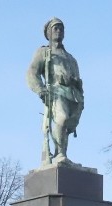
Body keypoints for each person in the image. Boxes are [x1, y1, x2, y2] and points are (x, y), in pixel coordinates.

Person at [26, 17, 84, 166]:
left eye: (61, 28)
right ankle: (60, 155)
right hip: (55, 91)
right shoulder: (44, 52)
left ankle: (61, 153)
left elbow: (78, 78)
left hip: (73, 95)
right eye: (55, 28)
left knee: (66, 125)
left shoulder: (71, 58)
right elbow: (32, 72)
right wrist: (40, 89)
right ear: (48, 33)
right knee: (62, 118)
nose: (59, 31)